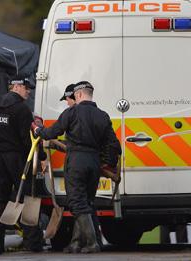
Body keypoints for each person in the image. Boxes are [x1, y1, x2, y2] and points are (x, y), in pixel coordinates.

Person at [32, 81, 119, 253]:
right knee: (87, 202)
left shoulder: (71, 112)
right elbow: (115, 146)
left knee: (77, 202)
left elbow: (51, 133)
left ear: (78, 95)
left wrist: (38, 130)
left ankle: (92, 243)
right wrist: (106, 163)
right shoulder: (103, 115)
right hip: (94, 163)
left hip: (76, 161)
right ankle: (77, 242)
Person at [0, 74, 43, 254]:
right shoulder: (21, 109)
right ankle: (34, 245)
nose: (29, 92)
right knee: (28, 198)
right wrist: (40, 158)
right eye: (26, 87)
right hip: (16, 159)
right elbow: (28, 139)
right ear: (16, 87)